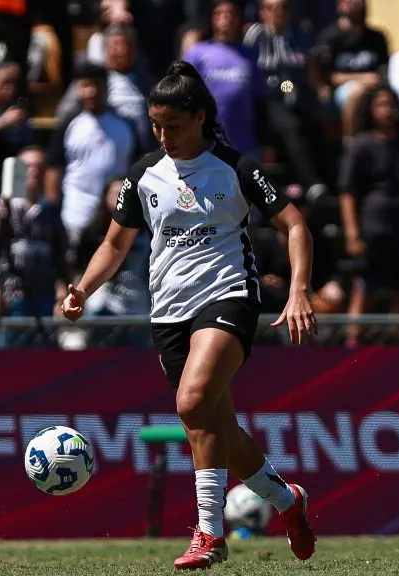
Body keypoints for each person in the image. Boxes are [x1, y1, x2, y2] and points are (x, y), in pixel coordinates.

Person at [61, 61, 317, 570]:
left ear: (200, 116)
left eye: (173, 126)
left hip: (228, 295)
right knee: (216, 425)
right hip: (168, 313)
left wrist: (298, 292)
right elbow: (115, 244)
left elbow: (295, 225)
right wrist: (83, 289)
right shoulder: (144, 174)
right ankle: (287, 500)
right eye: (156, 125)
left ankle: (209, 533)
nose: (163, 136)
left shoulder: (236, 167)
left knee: (193, 401)